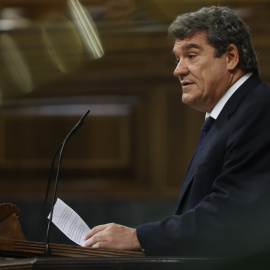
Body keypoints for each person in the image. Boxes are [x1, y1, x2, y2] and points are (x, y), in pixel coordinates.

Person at [82, 6, 270, 258]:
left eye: (191, 56)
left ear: (231, 57)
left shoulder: (258, 110)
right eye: (177, 58)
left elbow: (231, 216)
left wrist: (138, 236)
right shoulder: (231, 114)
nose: (178, 70)